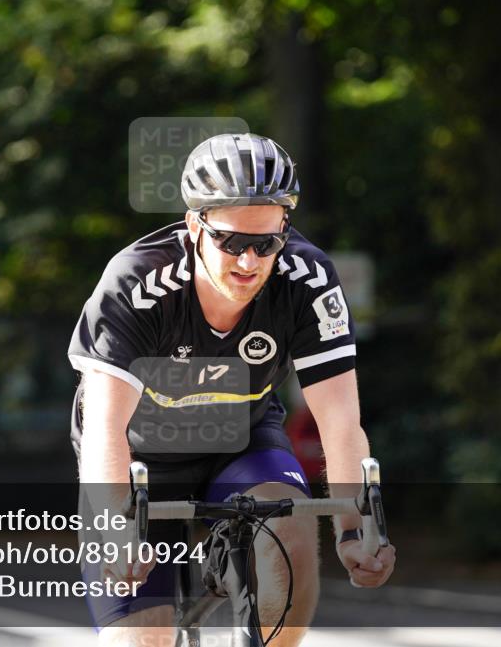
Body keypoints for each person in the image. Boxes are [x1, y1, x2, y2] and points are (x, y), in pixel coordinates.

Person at [68, 133, 396, 646]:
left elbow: (339, 421)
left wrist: (354, 531)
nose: (249, 262)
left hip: (239, 440)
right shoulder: (135, 283)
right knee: (143, 640)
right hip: (137, 458)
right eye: (231, 242)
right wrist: (115, 528)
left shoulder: (308, 281)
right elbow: (106, 426)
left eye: (265, 244)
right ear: (195, 224)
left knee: (290, 534)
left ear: (284, 228)